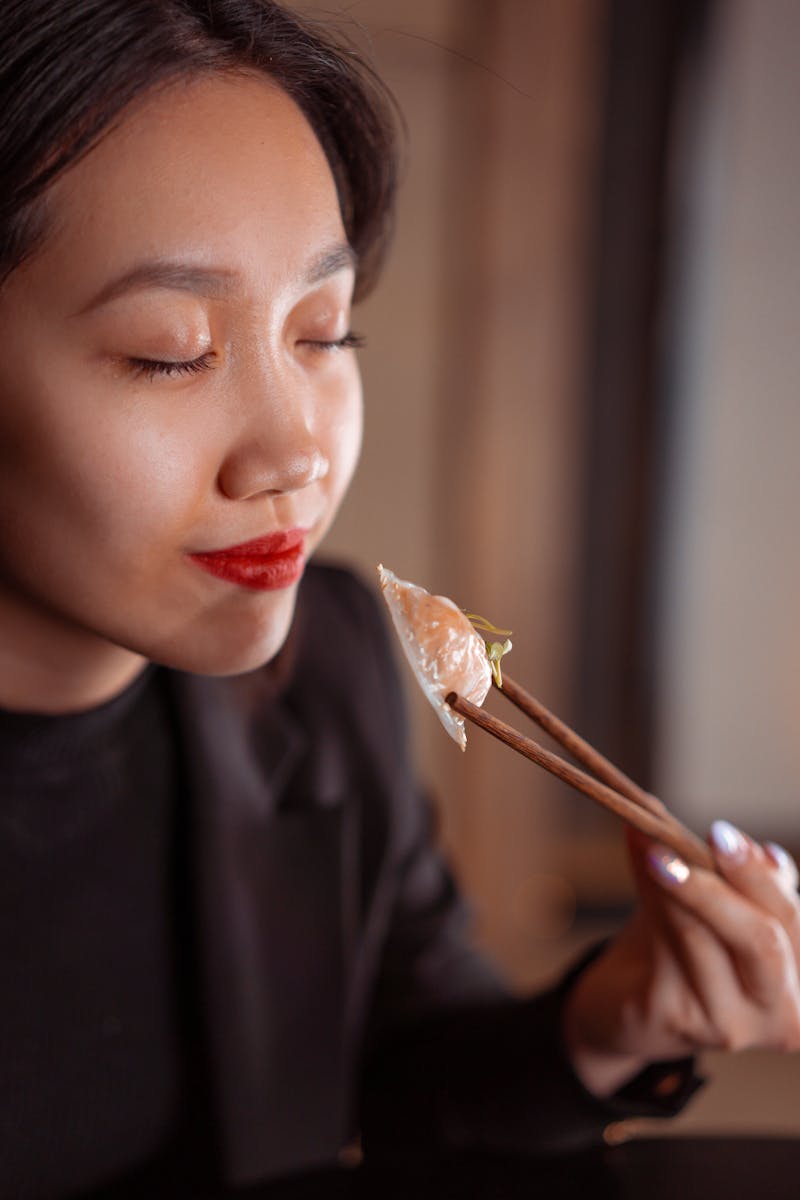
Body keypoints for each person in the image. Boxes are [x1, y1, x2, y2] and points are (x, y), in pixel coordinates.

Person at [1, 1, 798, 1195]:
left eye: (324, 332)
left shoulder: (319, 667)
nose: (293, 452)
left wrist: (615, 1016)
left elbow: (407, 1076)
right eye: (171, 349)